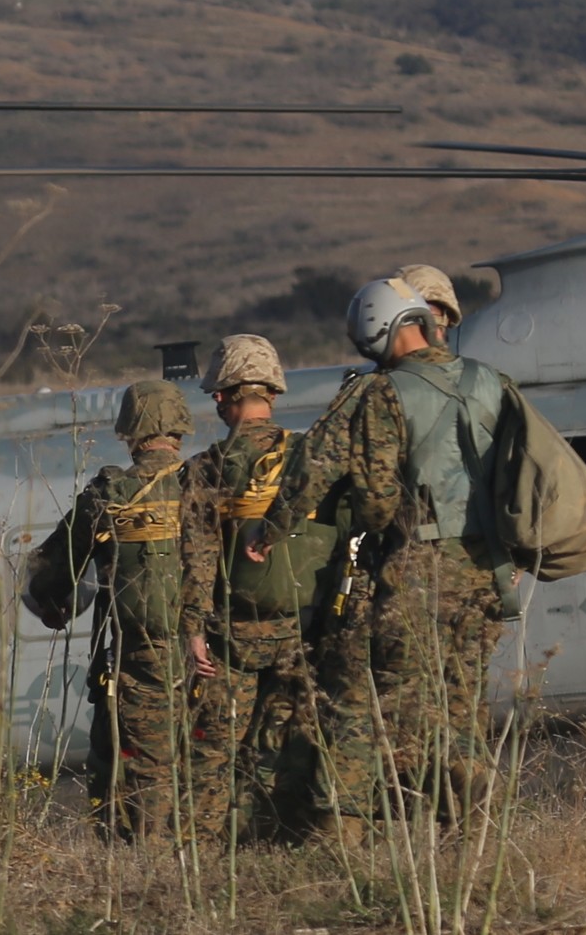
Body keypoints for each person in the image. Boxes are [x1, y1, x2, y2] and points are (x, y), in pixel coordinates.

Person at [252, 269, 518, 833]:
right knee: (461, 703)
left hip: (416, 570)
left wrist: (272, 530)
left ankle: (344, 832)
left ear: (374, 331)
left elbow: (365, 497)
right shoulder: (491, 380)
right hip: (488, 570)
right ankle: (467, 830)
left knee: (382, 702)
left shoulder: (380, 393)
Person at [176, 335, 346, 842]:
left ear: (223, 397)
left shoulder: (206, 469)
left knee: (216, 752)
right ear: (272, 392)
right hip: (309, 631)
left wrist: (192, 630)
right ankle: (298, 843)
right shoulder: (314, 460)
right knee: (300, 742)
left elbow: (199, 556)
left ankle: (207, 853)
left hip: (234, 637)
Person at [24, 380, 193, 841]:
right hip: (209, 663)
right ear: (180, 427)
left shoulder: (108, 493)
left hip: (134, 665)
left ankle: (137, 861)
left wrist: (50, 606)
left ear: (129, 432)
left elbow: (46, 572)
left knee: (119, 767)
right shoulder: (204, 483)